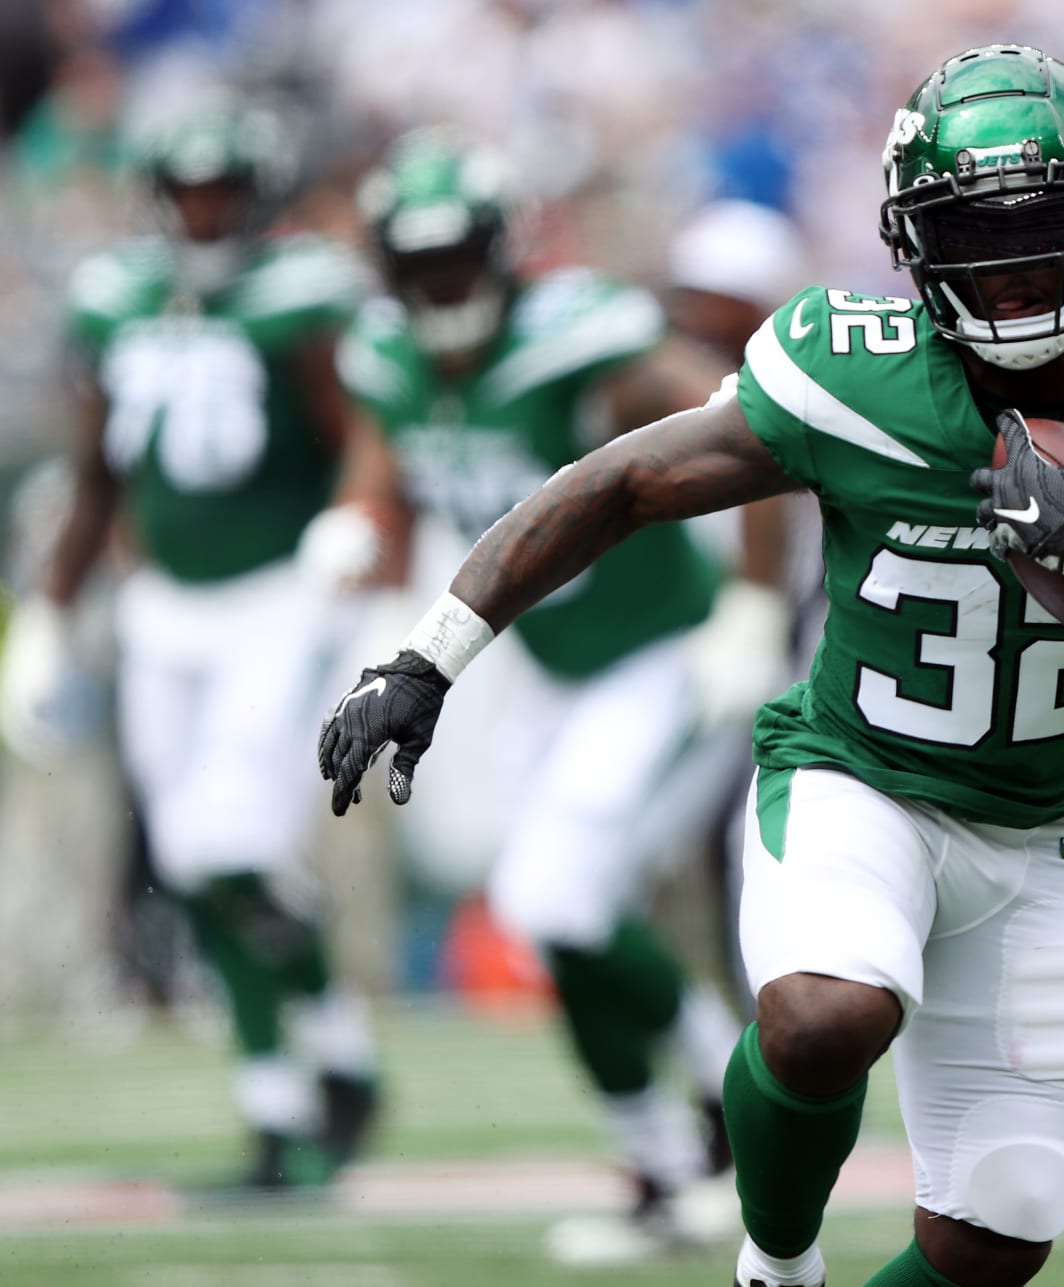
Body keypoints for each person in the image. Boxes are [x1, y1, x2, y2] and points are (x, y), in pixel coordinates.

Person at [320, 45, 1064, 1287]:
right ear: (910, 244)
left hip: (1047, 831)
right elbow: (623, 478)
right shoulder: (854, 368)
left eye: (1045, 228)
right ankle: (773, 1265)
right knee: (825, 1013)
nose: (1009, 274)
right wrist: (430, 657)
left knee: (995, 1237)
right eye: (975, 239)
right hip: (857, 777)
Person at [321, 130, 792, 1263]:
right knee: (559, 911)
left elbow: (753, 435)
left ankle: (721, 1126)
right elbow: (390, 465)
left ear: (499, 251)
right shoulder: (388, 355)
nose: (440, 285)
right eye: (417, 263)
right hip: (549, 670)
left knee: (560, 900)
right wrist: (356, 527)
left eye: (456, 258)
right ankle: (670, 1158)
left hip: (664, 654)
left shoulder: (578, 338)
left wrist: (757, 602)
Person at [2, 104, 381, 1190]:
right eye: (187, 192)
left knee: (224, 848)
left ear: (256, 194)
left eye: (223, 192)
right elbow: (97, 471)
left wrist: (351, 519)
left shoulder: (303, 294)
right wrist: (52, 607)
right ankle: (332, 1064)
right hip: (163, 607)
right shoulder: (116, 297)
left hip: (275, 602)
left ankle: (286, 1120)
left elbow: (358, 431)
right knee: (199, 863)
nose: (204, 212)